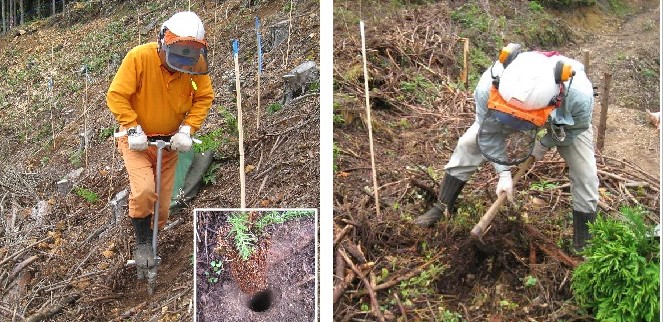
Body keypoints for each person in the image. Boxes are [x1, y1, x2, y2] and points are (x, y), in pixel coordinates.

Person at [415, 43, 599, 251]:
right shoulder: (489, 84)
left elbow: (576, 129)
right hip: (502, 110)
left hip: (563, 122)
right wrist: (503, 174)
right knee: (468, 144)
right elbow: (488, 134)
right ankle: (442, 206)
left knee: (586, 174)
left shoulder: (579, 95)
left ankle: (583, 244)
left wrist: (545, 143)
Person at [107, 11, 214, 274]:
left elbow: (203, 98)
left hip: (168, 145)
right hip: (138, 143)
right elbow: (117, 95)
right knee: (144, 191)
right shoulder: (139, 58)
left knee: (162, 207)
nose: (182, 62)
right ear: (163, 42)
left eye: (188, 56)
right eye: (177, 54)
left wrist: (188, 129)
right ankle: (143, 242)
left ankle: (154, 242)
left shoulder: (193, 66)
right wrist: (132, 128)